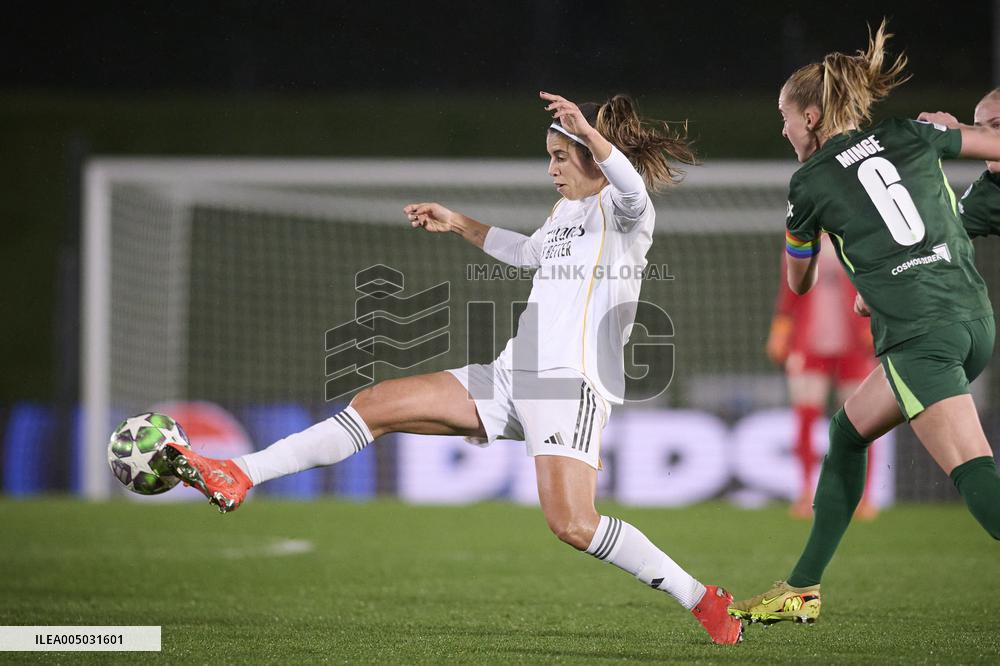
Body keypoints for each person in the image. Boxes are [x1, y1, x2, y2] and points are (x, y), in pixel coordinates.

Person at [161, 91, 744, 645]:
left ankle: (701, 598)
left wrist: (589, 133)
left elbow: (633, 186)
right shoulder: (566, 210)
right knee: (375, 404)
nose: (551, 170)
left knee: (573, 523)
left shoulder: (626, 213)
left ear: (593, 153)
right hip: (514, 373)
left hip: (570, 385)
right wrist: (460, 222)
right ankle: (236, 474)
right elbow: (527, 253)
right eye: (550, 158)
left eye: (561, 157)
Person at [729, 21, 1000, 626]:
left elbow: (798, 283)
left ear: (815, 116)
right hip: (972, 320)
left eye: (787, 115)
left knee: (975, 473)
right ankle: (802, 587)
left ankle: (802, 588)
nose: (783, 127)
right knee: (847, 434)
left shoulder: (809, 184)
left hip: (920, 339)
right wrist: (959, 129)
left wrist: (806, 237)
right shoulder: (910, 134)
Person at [766, 237, 880, 520]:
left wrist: (873, 324)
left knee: (862, 423)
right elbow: (789, 291)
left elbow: (874, 288)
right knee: (806, 417)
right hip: (809, 345)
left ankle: (863, 497)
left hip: (854, 346)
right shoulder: (801, 242)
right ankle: (806, 493)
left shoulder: (857, 240)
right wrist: (781, 328)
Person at [958, 88, 1000, 239]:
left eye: (997, 125)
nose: (983, 138)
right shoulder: (984, 195)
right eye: (978, 130)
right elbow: (934, 244)